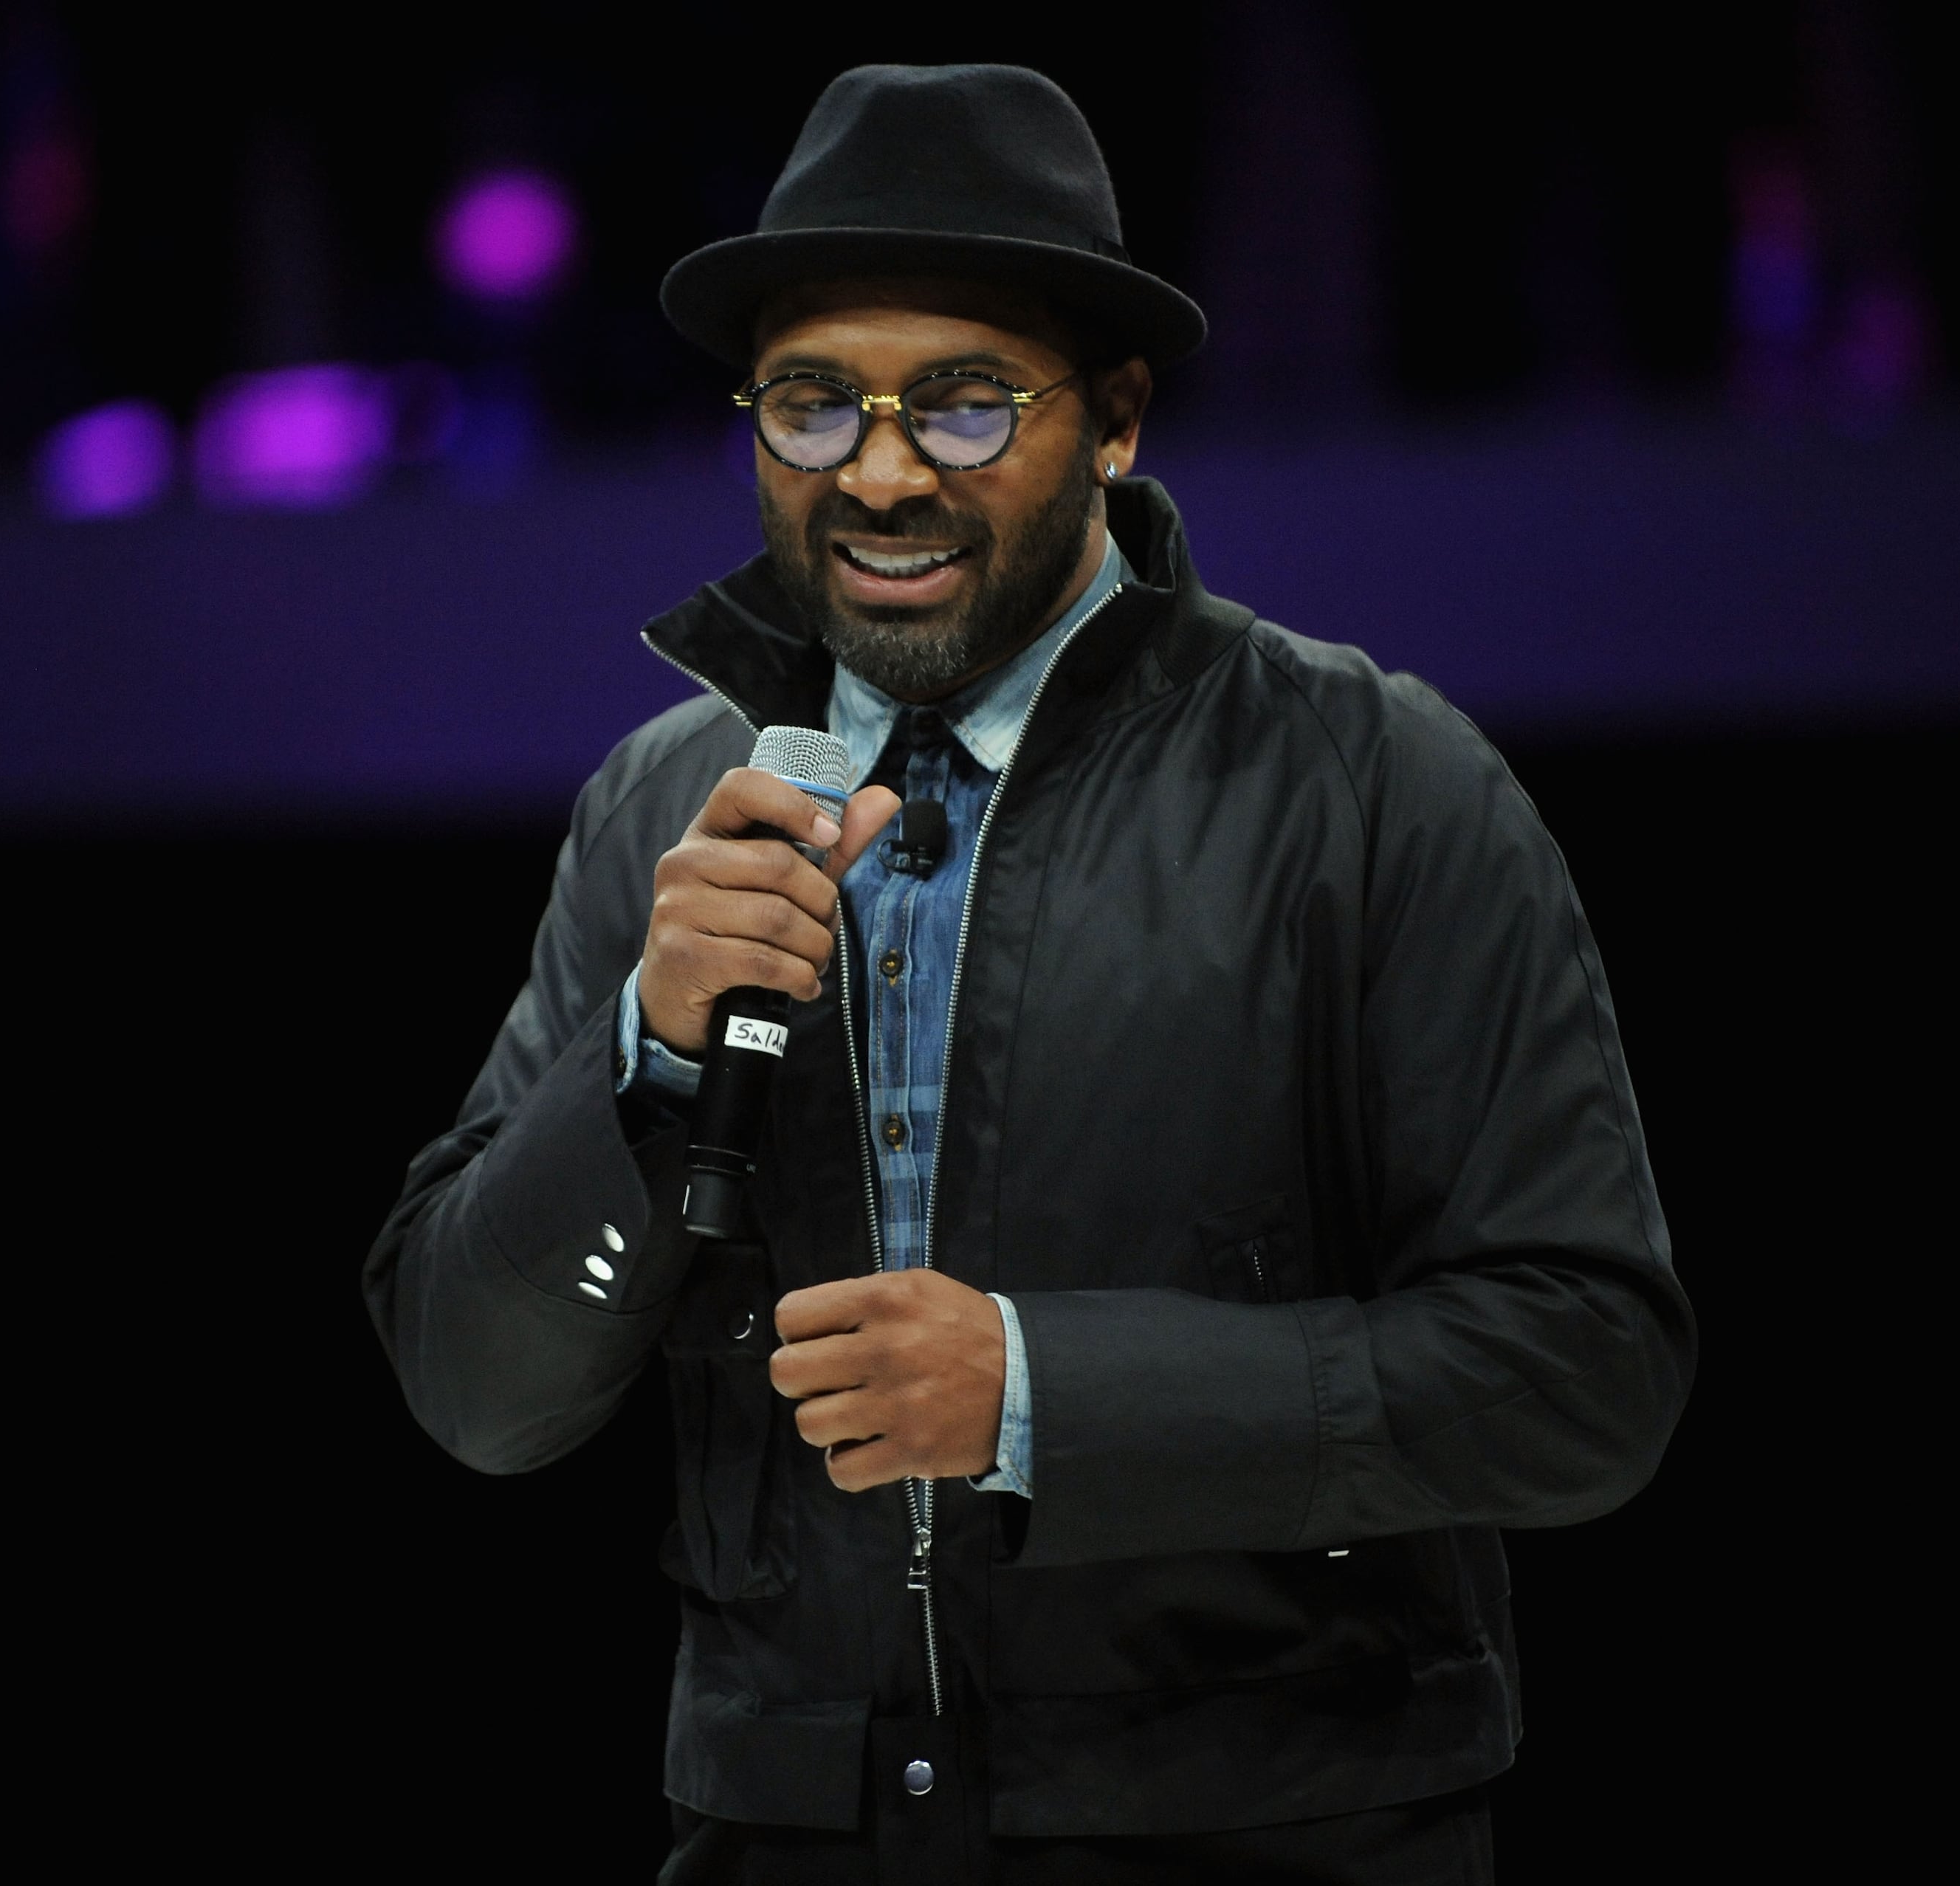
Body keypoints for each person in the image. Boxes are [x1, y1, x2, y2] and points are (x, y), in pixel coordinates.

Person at [366, 63, 1695, 1885]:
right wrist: (647, 1068)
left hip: (1272, 1828)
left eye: (968, 404)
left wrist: (1042, 1396)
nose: (884, 470)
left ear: (1120, 420)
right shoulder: (664, 812)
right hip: (786, 1837)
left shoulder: (1377, 782)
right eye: (814, 405)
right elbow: (474, 1387)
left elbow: (1584, 1371)